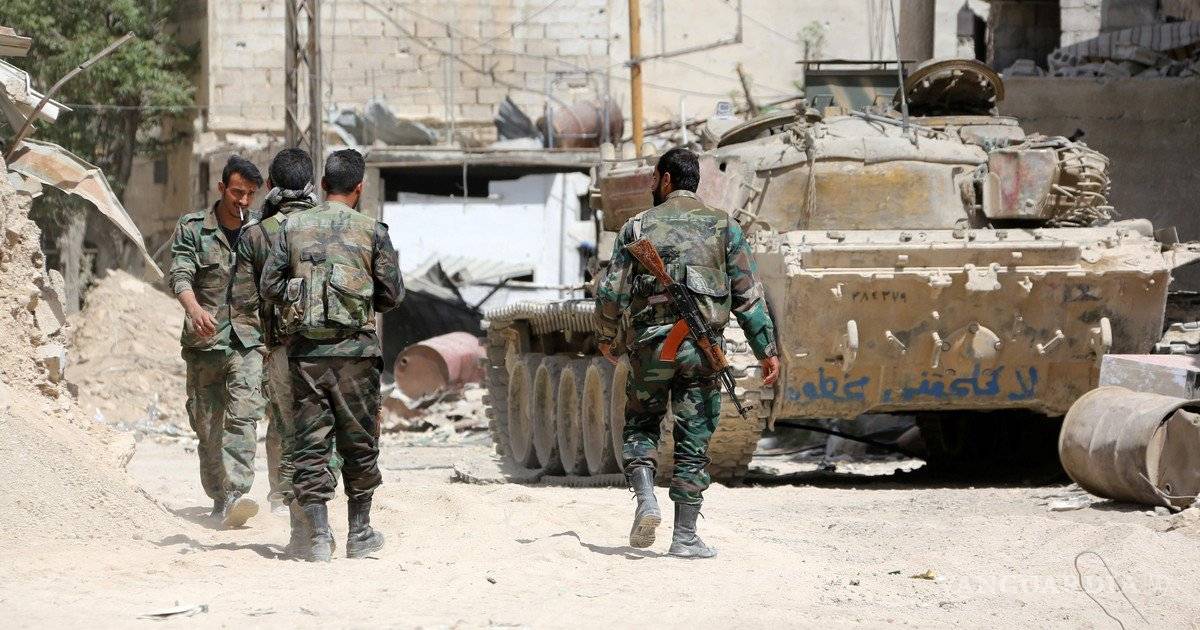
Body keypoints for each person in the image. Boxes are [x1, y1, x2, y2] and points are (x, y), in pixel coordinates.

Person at [595, 147, 781, 559]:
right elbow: (748, 296)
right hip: (700, 351)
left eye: (653, 177)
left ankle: (646, 499)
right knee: (693, 437)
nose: (651, 183)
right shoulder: (725, 226)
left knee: (641, 424)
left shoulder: (637, 226)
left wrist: (606, 336)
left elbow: (612, 292)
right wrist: (766, 348)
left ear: (666, 179)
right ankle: (684, 537)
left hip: (651, 349)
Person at [260, 149, 403, 562]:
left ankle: (319, 538)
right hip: (357, 358)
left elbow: (269, 286)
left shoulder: (292, 227)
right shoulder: (372, 231)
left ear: (322, 185)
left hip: (306, 356)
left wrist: (303, 295)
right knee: (359, 442)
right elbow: (392, 295)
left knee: (310, 446)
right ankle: (360, 533)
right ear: (360, 187)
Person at [232, 148, 340, 558]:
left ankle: (305, 532)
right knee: (325, 435)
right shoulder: (334, 225)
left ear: (272, 186)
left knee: (292, 437)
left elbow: (242, 303)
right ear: (312, 185)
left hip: (281, 351)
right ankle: (322, 524)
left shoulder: (256, 235)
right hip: (333, 348)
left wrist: (260, 348)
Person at [168, 155, 266, 528]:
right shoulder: (193, 228)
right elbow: (180, 273)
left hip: (247, 341)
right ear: (222, 188)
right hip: (205, 343)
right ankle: (219, 496)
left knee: (243, 416)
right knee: (208, 427)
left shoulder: (260, 231)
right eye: (238, 192)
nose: (243, 201)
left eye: (251, 194)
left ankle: (238, 492)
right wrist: (194, 309)